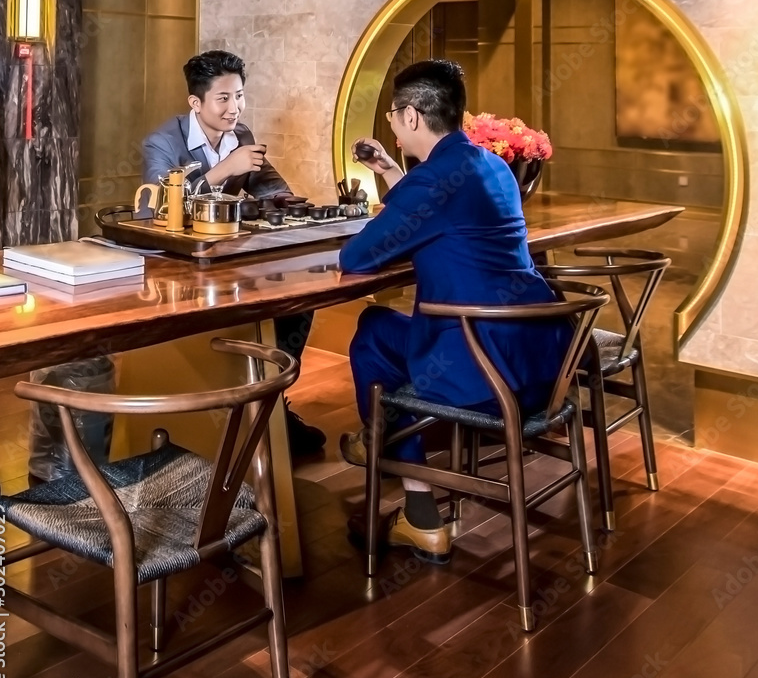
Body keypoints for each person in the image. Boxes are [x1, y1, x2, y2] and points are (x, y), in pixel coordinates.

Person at [338, 59, 570, 564]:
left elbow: (356, 258)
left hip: (484, 370)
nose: (394, 127)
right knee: (394, 338)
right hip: (541, 361)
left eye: (395, 116)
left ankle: (416, 508)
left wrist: (402, 188)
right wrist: (395, 176)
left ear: (413, 117)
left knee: (375, 330)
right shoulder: (493, 165)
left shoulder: (432, 181)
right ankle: (376, 445)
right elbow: (444, 212)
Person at [140, 49, 325, 457]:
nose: (234, 108)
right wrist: (224, 169)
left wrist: (291, 202)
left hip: (231, 259)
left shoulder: (240, 136)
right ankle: (225, 423)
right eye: (223, 99)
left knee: (298, 300)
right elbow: (152, 210)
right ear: (196, 102)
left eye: (239, 96)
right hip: (179, 268)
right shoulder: (163, 142)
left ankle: (272, 408)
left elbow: (270, 186)